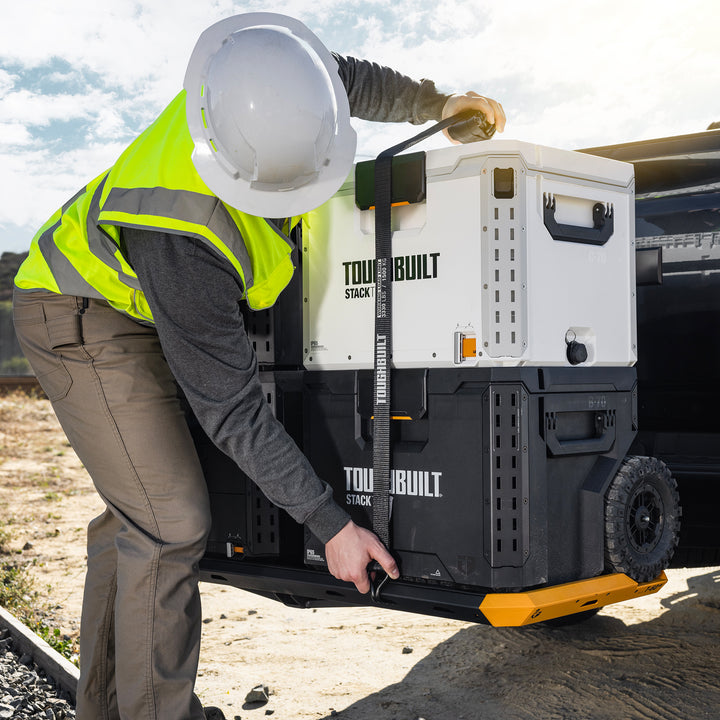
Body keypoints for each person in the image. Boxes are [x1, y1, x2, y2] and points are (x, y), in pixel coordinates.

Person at [13, 12, 505, 720]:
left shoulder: (272, 81)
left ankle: (107, 710)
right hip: (80, 315)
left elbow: (351, 80)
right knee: (169, 523)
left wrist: (436, 104)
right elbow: (233, 409)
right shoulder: (181, 229)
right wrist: (330, 525)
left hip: (136, 308)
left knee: (132, 517)